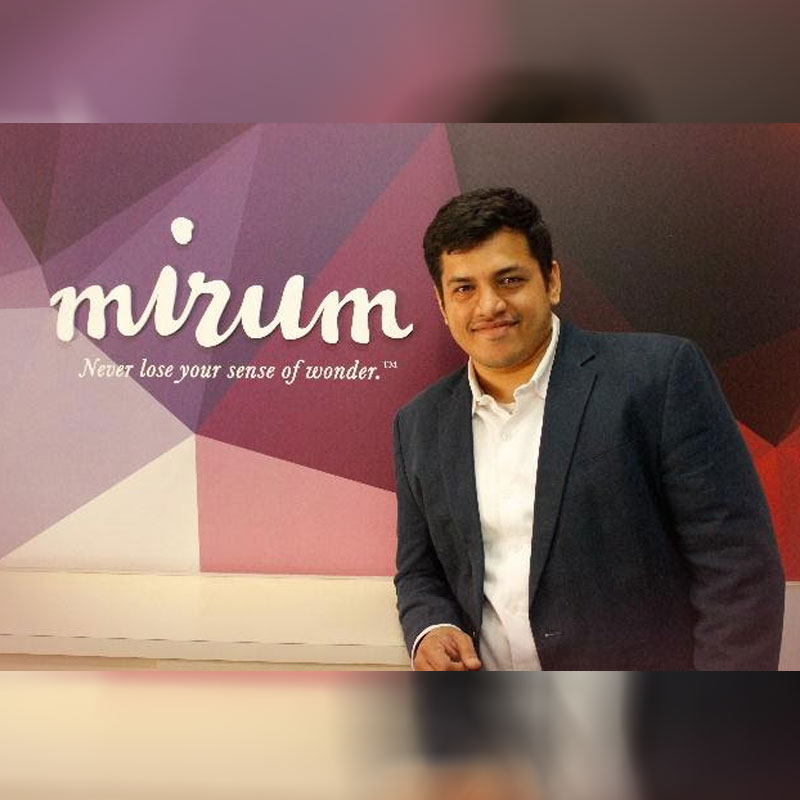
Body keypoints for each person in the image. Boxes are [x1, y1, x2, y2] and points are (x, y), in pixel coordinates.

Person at [393, 186, 785, 671]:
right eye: (464, 289)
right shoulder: (419, 424)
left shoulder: (658, 378)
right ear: (442, 304)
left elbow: (738, 570)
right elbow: (419, 572)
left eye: (509, 279)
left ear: (552, 281)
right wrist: (431, 627)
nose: (488, 305)